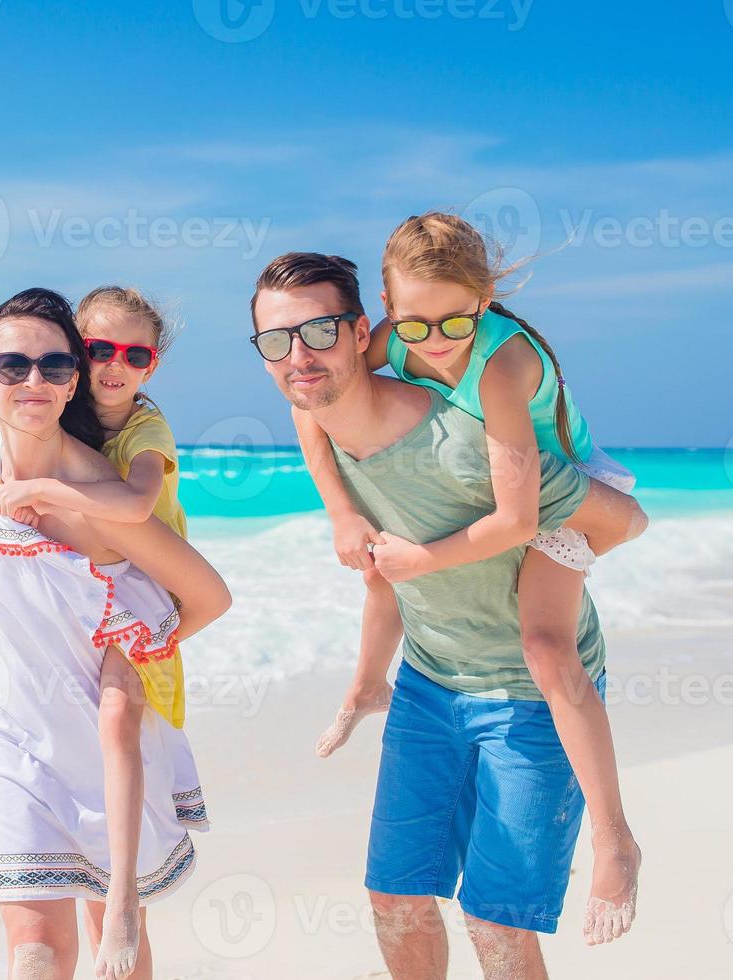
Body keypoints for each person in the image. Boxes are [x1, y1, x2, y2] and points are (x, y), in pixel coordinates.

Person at [251, 253, 642, 977]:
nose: (298, 357)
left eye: (318, 333)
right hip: (429, 689)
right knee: (394, 901)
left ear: (361, 330)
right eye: (276, 341)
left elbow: (620, 516)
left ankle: (617, 840)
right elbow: (381, 580)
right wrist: (341, 518)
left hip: (530, 699)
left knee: (496, 925)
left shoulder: (476, 445)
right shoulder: (325, 428)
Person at [0, 287, 230, 980]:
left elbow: (206, 592)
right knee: (34, 955)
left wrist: (147, 641)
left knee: (114, 956)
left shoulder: (114, 481)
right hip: (15, 729)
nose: (33, 381)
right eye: (11, 367)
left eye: (53, 367)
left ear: (70, 382)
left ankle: (124, 896)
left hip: (114, 675)